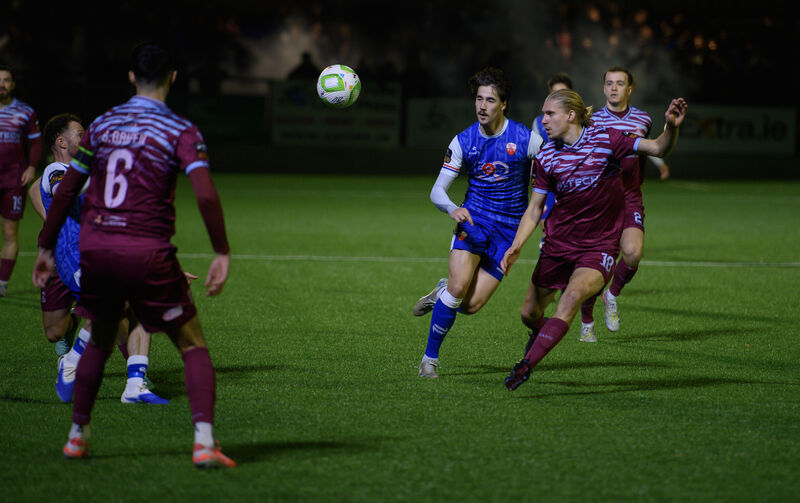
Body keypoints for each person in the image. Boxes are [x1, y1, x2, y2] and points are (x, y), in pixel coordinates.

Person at [32, 42, 235, 468]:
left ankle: (77, 437)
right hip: (149, 251)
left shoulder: (103, 124)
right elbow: (204, 191)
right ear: (173, 78)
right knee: (193, 345)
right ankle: (203, 444)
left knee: (100, 339)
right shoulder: (179, 128)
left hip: (100, 251)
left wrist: (47, 245)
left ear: (130, 77)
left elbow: (67, 190)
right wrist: (221, 249)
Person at [502, 89, 687, 391]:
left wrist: (672, 127)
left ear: (570, 115)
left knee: (572, 297)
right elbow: (534, 208)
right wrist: (516, 246)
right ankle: (541, 334)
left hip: (598, 247)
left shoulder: (607, 139)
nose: (543, 120)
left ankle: (526, 365)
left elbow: (657, 148)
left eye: (550, 114)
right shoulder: (546, 156)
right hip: (558, 245)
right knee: (529, 314)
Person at [411, 67, 544, 377]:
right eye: (479, 99)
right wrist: (452, 209)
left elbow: (556, 165)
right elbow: (437, 191)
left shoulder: (526, 139)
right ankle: (429, 360)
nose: (483, 106)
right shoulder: (463, 141)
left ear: (504, 104)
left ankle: (443, 292)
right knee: (459, 288)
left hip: (509, 231)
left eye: (491, 100)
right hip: (474, 221)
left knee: (470, 306)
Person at [29, 113, 167, 404]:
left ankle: (135, 384)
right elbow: (70, 192)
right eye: (80, 133)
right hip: (75, 256)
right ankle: (72, 361)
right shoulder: (58, 170)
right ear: (61, 141)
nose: (86, 137)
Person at [577, 66, 669, 343]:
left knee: (632, 253)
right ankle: (586, 320)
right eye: (609, 83)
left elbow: (648, 147)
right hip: (598, 199)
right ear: (603, 88)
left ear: (630, 89)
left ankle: (612, 294)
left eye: (620, 83)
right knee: (593, 264)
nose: (614, 88)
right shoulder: (591, 120)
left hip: (629, 195)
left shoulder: (643, 118)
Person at [0, 65, 41, 297]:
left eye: (6, 80)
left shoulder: (25, 112)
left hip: (13, 180)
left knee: (10, 232)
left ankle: (1, 283)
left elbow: (36, 142)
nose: (1, 84)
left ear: (12, 84)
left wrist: (32, 167)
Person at [531, 73, 573, 252]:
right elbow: (536, 154)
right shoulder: (540, 123)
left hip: (574, 184)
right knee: (547, 229)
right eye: (555, 93)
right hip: (549, 185)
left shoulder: (583, 122)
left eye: (563, 92)